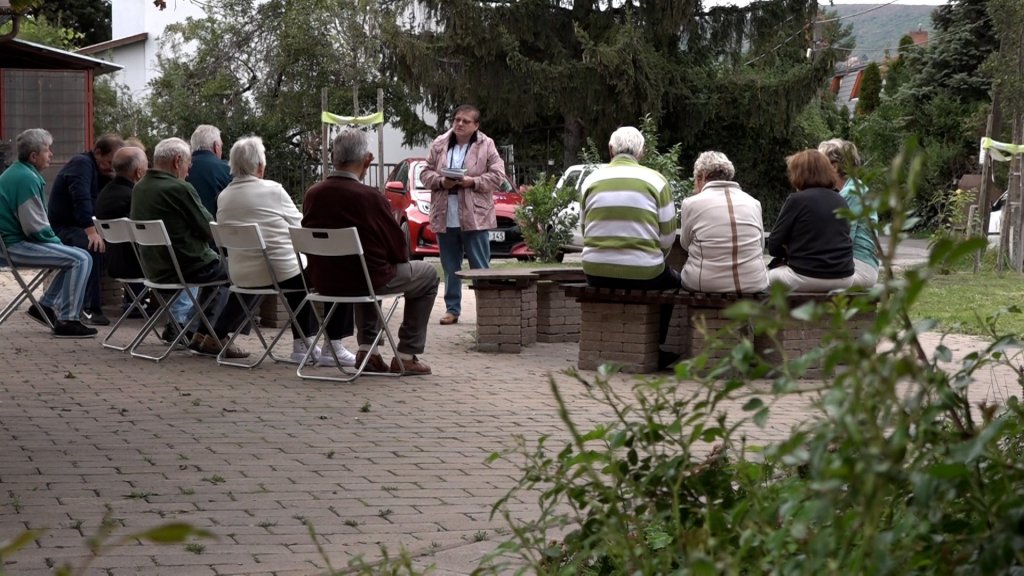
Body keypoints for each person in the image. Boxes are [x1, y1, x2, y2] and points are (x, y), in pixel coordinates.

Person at [302, 128, 439, 375]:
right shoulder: (369, 197)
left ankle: (369, 351)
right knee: (427, 275)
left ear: (334, 158)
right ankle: (406, 354)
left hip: (324, 281)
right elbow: (398, 247)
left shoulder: (313, 194)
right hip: (368, 278)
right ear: (367, 160)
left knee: (364, 269)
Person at [216, 136, 356, 367]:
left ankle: (304, 343)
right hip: (281, 274)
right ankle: (329, 346)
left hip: (242, 277)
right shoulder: (274, 190)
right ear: (260, 166)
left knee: (294, 273)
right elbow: (303, 226)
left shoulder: (224, 197)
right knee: (336, 271)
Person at [129, 137, 249, 358]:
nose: (189, 169)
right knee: (245, 273)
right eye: (188, 164)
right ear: (177, 161)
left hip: (155, 267)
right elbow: (208, 228)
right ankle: (213, 336)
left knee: (220, 276)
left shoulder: (140, 187)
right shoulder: (179, 188)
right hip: (186, 265)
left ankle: (198, 333)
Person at [581, 126, 679, 367]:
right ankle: (655, 346)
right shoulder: (656, 180)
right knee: (674, 282)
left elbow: (584, 229)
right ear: (642, 153)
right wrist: (651, 257)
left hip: (596, 271)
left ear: (610, 150)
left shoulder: (590, 181)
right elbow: (667, 237)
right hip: (645, 272)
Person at [0, 129, 97, 338]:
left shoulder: (19, 173)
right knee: (81, 258)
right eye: (47, 150)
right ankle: (68, 320)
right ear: (34, 156)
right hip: (13, 246)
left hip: (9, 244)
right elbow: (35, 227)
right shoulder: (25, 178)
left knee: (74, 257)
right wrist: (58, 244)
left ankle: (44, 306)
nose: (51, 154)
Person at [420, 104, 506, 326]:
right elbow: (425, 173)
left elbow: (498, 175)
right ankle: (452, 309)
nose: (459, 123)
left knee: (480, 265)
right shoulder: (440, 143)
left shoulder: (486, 145)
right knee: (450, 266)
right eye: (457, 119)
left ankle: (487, 310)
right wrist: (441, 181)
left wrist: (473, 182)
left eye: (465, 121)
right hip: (445, 213)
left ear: (476, 125)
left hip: (475, 216)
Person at [47, 133, 125, 326]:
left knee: (104, 245)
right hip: (64, 227)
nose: (110, 168)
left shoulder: (99, 170)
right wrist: (91, 231)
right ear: (97, 152)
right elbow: (80, 198)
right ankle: (89, 307)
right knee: (92, 246)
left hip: (76, 226)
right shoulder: (81, 164)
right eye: (109, 162)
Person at [678, 151, 768, 293]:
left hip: (704, 283)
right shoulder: (753, 203)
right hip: (754, 283)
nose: (694, 185)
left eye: (695, 179)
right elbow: (761, 246)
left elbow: (685, 244)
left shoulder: (691, 203)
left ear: (702, 176)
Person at [767, 149, 855, 292]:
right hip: (845, 278)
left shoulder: (797, 200)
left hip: (806, 276)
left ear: (798, 173)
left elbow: (773, 246)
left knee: (765, 277)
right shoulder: (841, 200)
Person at [818, 138, 879, 288]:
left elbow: (842, 241)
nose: (816, 170)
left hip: (859, 268)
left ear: (834, 167)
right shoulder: (852, 189)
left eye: (820, 165)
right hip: (854, 265)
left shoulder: (851, 193)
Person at [94, 146, 149, 315]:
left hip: (114, 263)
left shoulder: (105, 193)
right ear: (139, 172)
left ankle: (139, 302)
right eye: (147, 166)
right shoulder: (135, 197)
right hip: (137, 266)